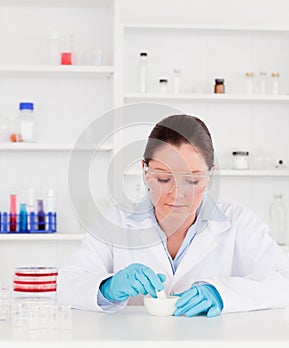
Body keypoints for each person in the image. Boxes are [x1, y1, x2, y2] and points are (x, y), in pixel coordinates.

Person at [57, 114, 289, 317]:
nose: (177, 194)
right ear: (145, 171)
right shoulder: (115, 222)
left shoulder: (239, 223)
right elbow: (68, 284)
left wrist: (222, 294)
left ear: (210, 175)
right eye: (163, 179)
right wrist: (106, 288)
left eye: (192, 180)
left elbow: (284, 281)